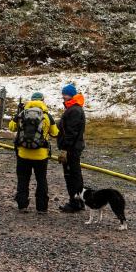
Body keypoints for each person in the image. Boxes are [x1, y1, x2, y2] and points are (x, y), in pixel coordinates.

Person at [8, 91, 59, 213]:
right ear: (43, 101)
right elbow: (55, 133)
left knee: (23, 179)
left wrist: (16, 115)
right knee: (41, 180)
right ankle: (41, 208)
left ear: (30, 100)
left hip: (23, 154)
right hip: (41, 156)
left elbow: (11, 127)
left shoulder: (22, 114)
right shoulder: (47, 116)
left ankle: (22, 205)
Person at [57, 83, 86, 213]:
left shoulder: (74, 110)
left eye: (66, 94)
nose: (64, 96)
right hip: (74, 147)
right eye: (63, 94)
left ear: (72, 95)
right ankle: (79, 201)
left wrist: (64, 148)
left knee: (71, 175)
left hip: (71, 149)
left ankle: (75, 203)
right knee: (74, 174)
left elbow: (71, 132)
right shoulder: (73, 108)